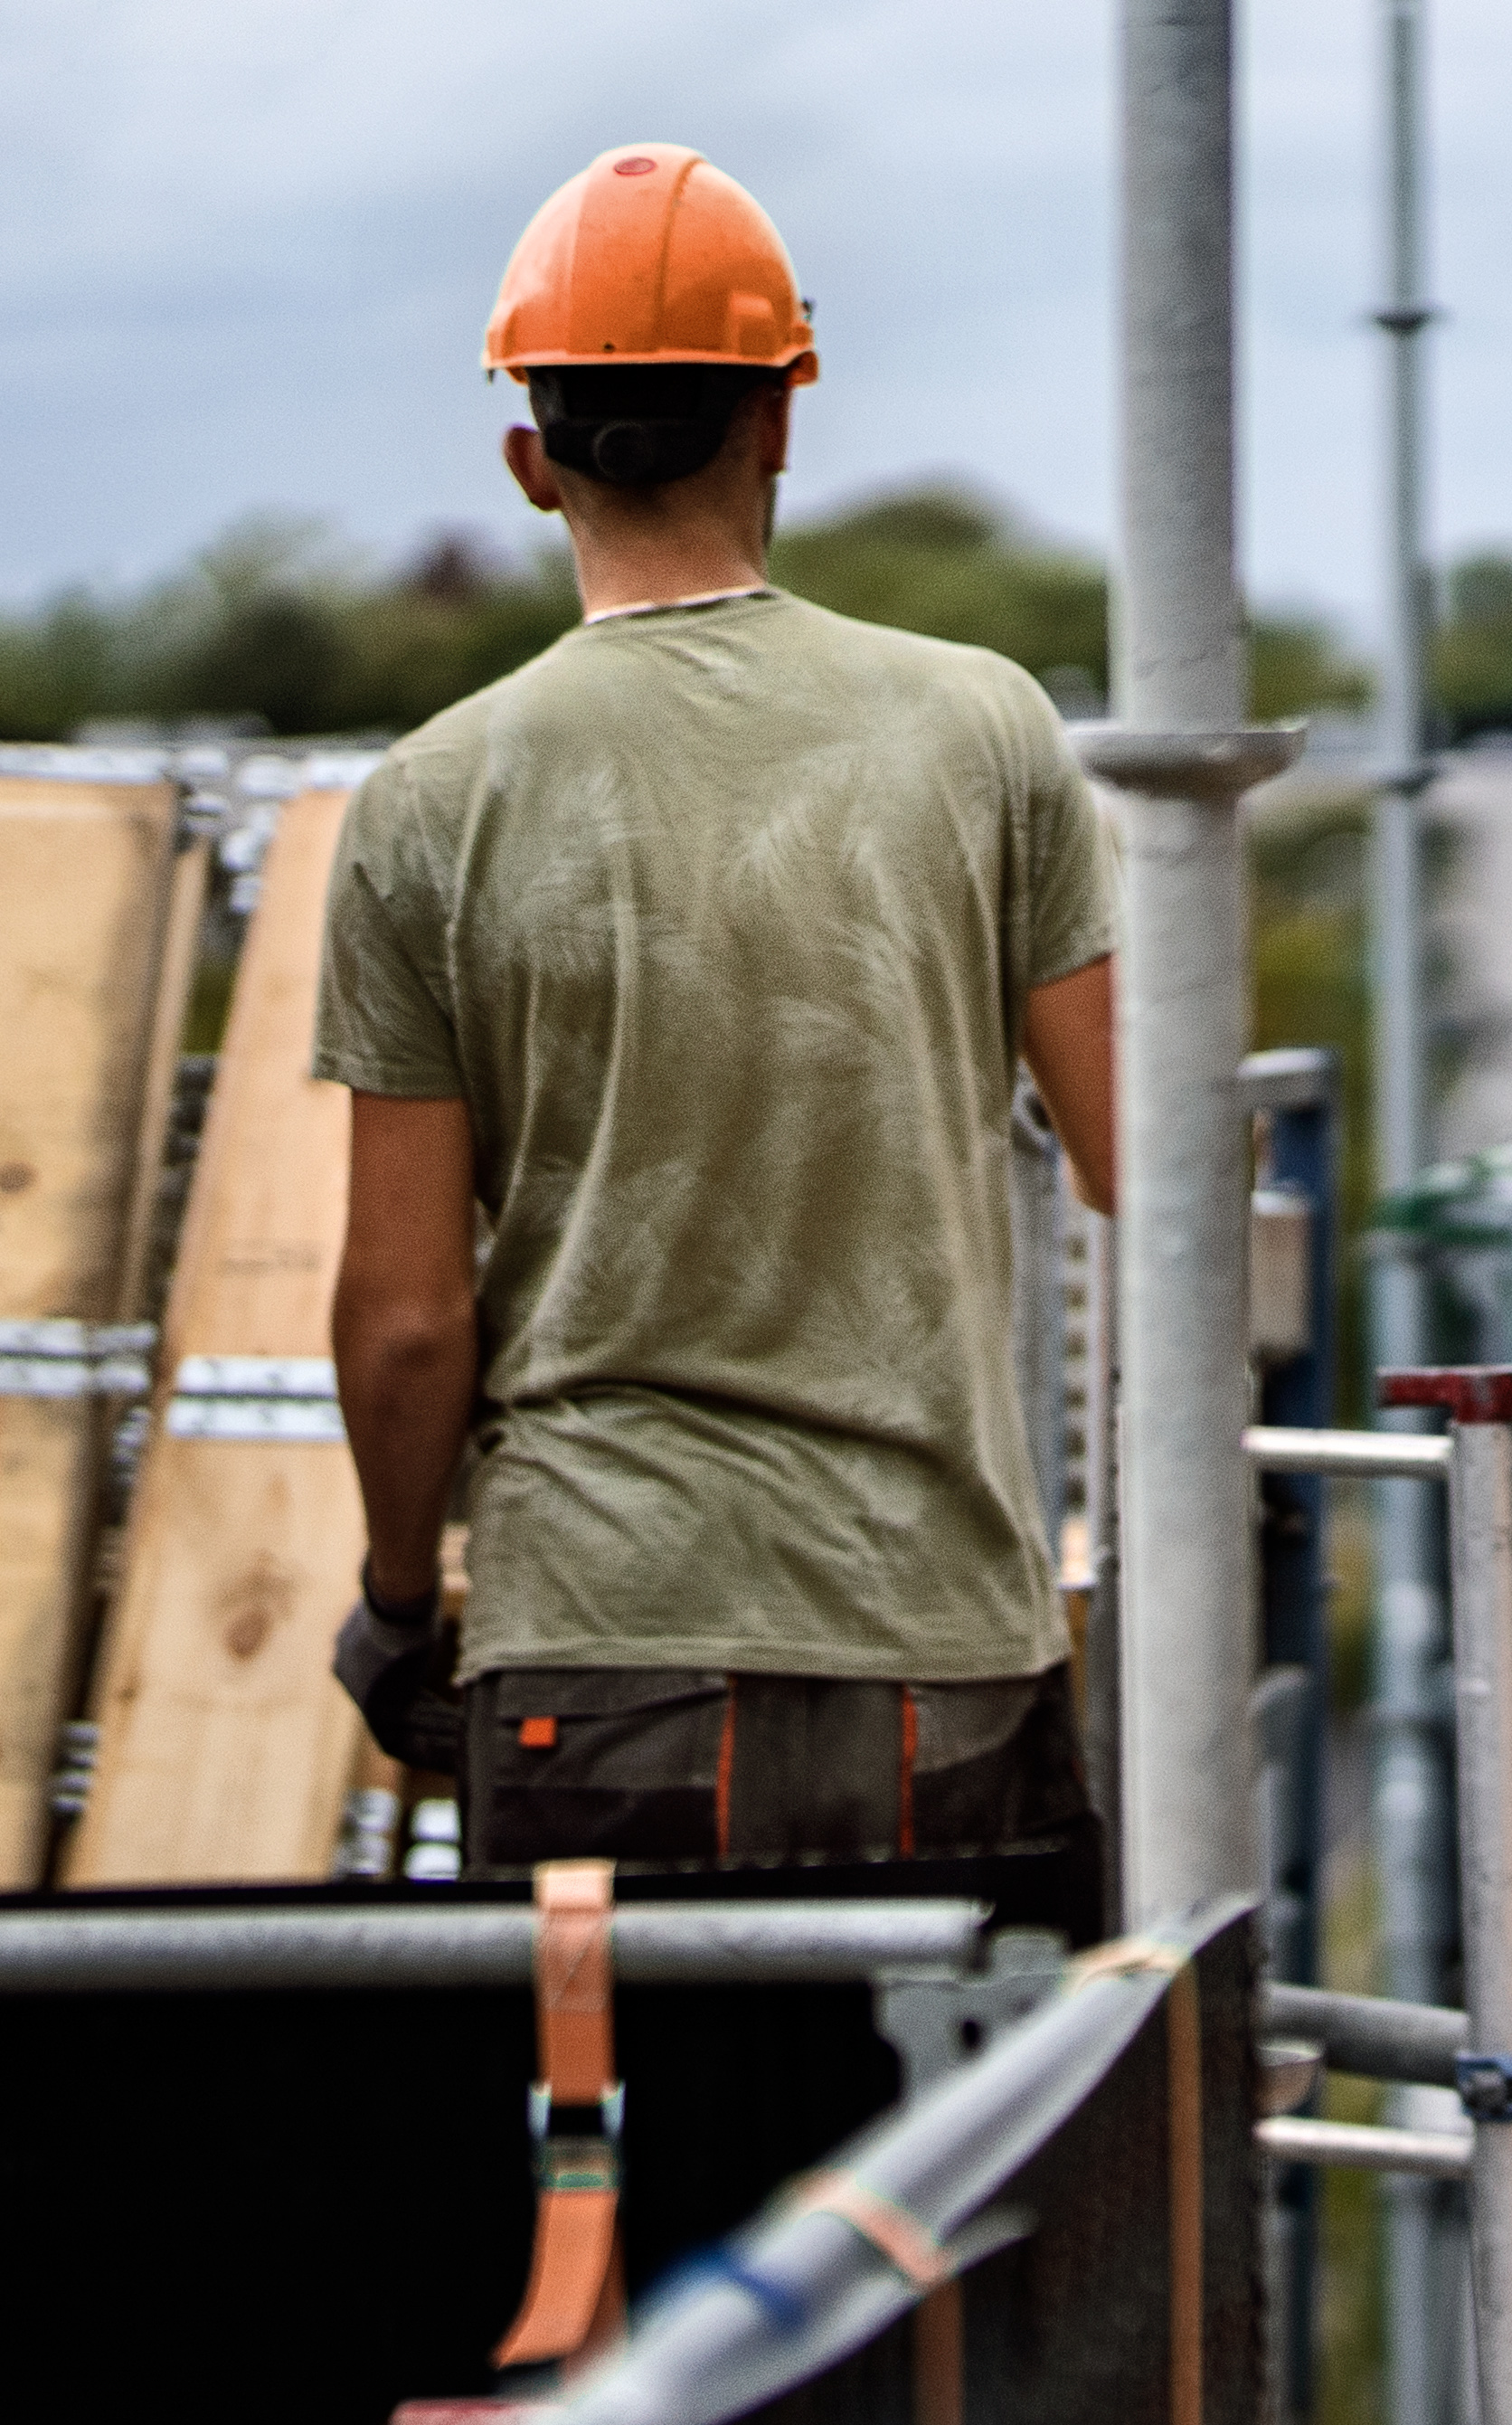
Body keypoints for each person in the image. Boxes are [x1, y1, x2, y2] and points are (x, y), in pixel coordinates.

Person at [318, 144, 1120, 1890]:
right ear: (780, 420)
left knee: (614, 2162)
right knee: (952, 2158)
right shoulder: (981, 732)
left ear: (529, 463)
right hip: (939, 1654)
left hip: (593, 1653)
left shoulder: (429, 799)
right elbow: (1158, 1164)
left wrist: (399, 1603)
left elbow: (402, 1321)